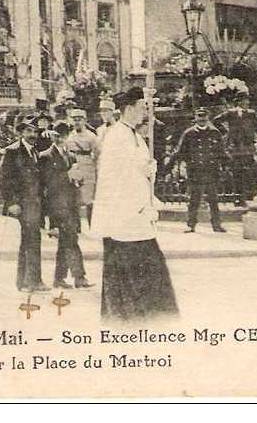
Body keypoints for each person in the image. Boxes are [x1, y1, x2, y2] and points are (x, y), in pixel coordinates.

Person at [94, 87, 178, 320]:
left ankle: (148, 316)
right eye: (143, 107)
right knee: (131, 268)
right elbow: (117, 178)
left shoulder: (136, 136)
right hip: (125, 216)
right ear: (129, 109)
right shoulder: (116, 136)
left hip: (138, 214)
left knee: (149, 265)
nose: (146, 112)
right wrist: (141, 200)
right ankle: (128, 317)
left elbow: (139, 170)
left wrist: (150, 171)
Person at [0, 115, 49, 292]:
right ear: (21, 132)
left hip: (34, 204)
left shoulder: (34, 151)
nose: (32, 134)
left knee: (32, 239)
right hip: (22, 204)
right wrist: (11, 201)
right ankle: (30, 281)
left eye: (35, 131)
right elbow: (3, 179)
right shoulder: (12, 151)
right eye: (28, 130)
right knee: (31, 240)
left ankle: (28, 280)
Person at [40, 121, 91, 289]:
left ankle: (59, 279)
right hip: (57, 206)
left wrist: (78, 178)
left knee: (66, 243)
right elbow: (47, 183)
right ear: (53, 136)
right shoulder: (46, 156)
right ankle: (79, 277)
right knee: (71, 241)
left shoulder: (71, 156)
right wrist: (67, 175)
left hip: (71, 205)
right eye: (58, 135)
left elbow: (77, 180)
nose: (61, 138)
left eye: (64, 134)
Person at [169, 107, 232, 233]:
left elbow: (221, 152)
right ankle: (191, 225)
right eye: (199, 116)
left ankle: (216, 225)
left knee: (213, 200)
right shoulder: (189, 133)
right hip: (195, 171)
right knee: (194, 199)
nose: (202, 119)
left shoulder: (215, 132)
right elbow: (180, 151)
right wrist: (170, 166)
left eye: (204, 116)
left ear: (208, 117)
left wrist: (227, 166)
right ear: (196, 117)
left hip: (211, 171)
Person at [65, 108, 98, 228]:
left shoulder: (91, 136)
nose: (77, 122)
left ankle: (93, 225)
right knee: (74, 198)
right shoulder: (69, 135)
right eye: (74, 120)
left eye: (79, 120)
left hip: (87, 168)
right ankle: (76, 227)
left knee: (89, 199)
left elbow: (97, 153)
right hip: (73, 167)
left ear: (84, 120)